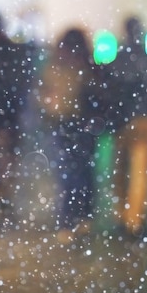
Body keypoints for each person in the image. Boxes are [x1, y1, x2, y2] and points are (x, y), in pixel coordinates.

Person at [37, 27, 101, 243]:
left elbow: (43, 95)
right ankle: (83, 217)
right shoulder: (89, 66)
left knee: (66, 173)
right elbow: (95, 94)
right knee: (84, 172)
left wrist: (50, 110)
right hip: (84, 125)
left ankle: (67, 221)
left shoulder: (54, 65)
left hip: (61, 124)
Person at [106, 16, 147, 237]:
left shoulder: (116, 61)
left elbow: (110, 92)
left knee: (120, 171)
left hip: (123, 122)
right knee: (141, 172)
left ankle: (122, 215)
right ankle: (136, 221)